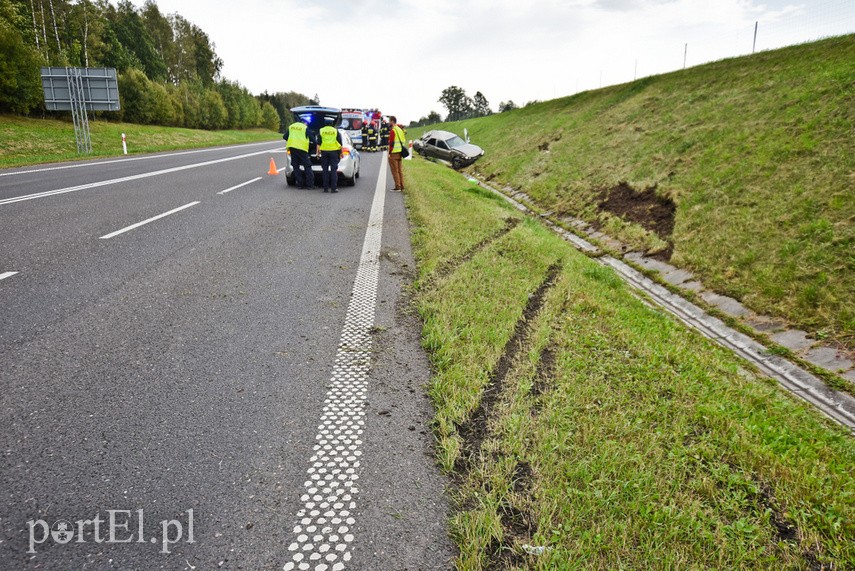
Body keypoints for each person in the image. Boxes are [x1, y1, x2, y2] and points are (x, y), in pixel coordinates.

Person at [283, 116, 315, 189]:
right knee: (307, 166)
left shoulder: (291, 126)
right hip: (302, 149)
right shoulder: (304, 128)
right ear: (305, 122)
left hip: (293, 149)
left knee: (296, 166)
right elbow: (313, 139)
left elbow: (285, 137)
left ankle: (300, 184)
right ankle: (309, 185)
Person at [318, 117, 343, 193]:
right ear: (332, 124)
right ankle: (334, 188)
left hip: (324, 151)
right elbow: (340, 143)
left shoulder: (321, 130)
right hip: (334, 152)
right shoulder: (335, 131)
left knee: (325, 170)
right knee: (333, 170)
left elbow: (319, 143)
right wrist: (341, 152)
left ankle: (325, 188)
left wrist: (318, 153)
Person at [387, 116, 407, 191]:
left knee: (394, 171)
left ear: (392, 121)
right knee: (400, 170)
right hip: (400, 153)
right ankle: (402, 186)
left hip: (394, 153)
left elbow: (391, 143)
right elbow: (403, 140)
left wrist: (389, 152)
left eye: (389, 121)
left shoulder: (393, 130)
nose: (389, 122)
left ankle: (397, 187)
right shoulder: (399, 130)